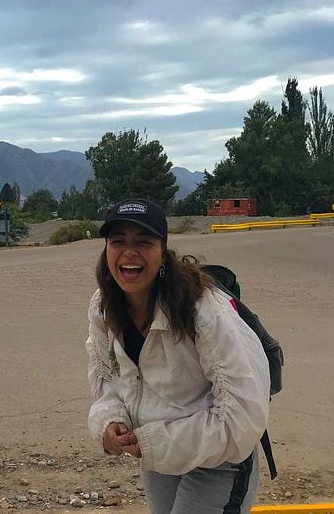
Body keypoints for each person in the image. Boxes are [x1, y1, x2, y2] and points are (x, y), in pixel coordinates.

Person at [86, 199, 270, 514]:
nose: (129, 252)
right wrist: (108, 422)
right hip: (158, 454)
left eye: (143, 242)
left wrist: (155, 442)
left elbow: (243, 416)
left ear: (163, 254)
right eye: (118, 242)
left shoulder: (204, 310)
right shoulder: (104, 306)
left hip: (222, 458)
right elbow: (106, 377)